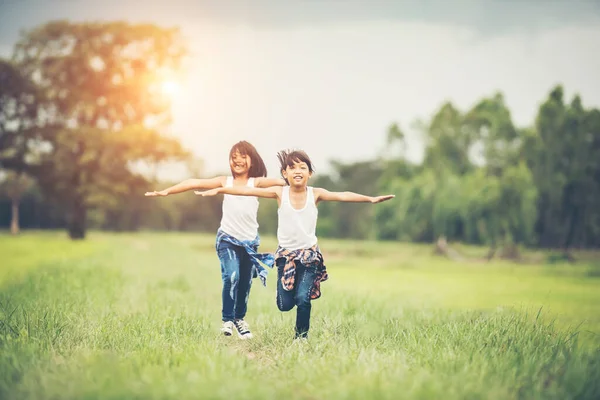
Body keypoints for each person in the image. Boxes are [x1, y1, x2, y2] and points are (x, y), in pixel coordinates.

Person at [196, 149, 394, 340]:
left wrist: (370, 199)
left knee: (303, 299)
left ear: (309, 173)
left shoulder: (315, 194)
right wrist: (221, 189)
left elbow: (343, 195)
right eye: (292, 168)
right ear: (285, 174)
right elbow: (247, 191)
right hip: (285, 258)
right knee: (284, 304)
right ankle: (279, 307)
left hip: (309, 257)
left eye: (302, 167)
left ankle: (301, 337)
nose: (297, 171)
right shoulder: (279, 193)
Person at [145, 141, 285, 339]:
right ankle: (227, 320)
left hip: (250, 243)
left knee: (245, 283)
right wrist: (167, 191)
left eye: (243, 156)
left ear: (252, 161)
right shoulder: (224, 181)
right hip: (227, 239)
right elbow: (193, 182)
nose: (237, 160)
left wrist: (294, 176)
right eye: (234, 156)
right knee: (232, 275)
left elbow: (283, 183)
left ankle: (239, 319)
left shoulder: (256, 183)